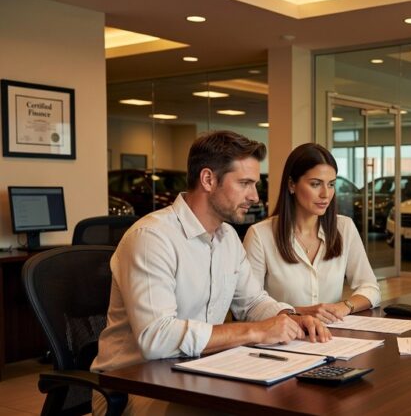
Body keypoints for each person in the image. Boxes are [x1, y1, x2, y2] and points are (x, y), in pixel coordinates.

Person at [91, 131, 330, 415]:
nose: (255, 196)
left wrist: (290, 317)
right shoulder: (152, 238)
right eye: (244, 183)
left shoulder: (227, 238)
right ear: (208, 179)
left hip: (199, 372)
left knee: (298, 395)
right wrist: (255, 330)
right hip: (135, 385)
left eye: (254, 184)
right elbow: (157, 338)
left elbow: (252, 302)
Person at [243, 143, 380, 323]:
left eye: (331, 184)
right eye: (315, 184)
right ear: (292, 184)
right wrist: (300, 313)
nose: (326, 194)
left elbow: (370, 288)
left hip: (331, 334)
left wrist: (343, 307)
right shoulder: (260, 235)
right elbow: (249, 307)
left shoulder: (344, 227)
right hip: (283, 336)